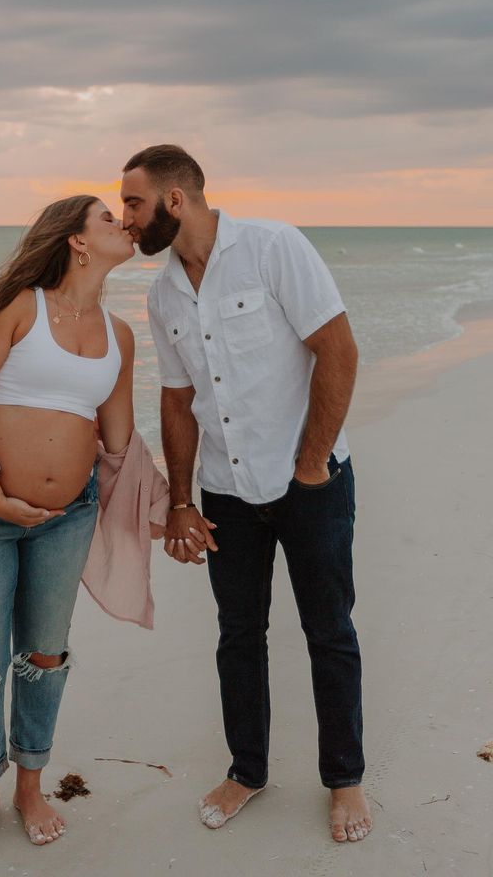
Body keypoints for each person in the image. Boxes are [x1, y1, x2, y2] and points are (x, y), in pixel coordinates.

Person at [0, 195, 168, 860]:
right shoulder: (22, 307)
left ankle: (29, 784)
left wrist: (175, 506)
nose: (122, 225)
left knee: (44, 657)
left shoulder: (120, 335)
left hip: (65, 520)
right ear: (76, 241)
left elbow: (119, 446)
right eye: (107, 218)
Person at [120, 145, 372, 843]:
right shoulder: (163, 291)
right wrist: (180, 501)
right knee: (238, 636)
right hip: (226, 491)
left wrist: (313, 461)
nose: (125, 220)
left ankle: (344, 779)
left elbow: (339, 348)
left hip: (309, 482)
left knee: (329, 632)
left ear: (176, 200)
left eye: (134, 204)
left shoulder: (272, 247)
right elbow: (177, 400)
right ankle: (247, 771)